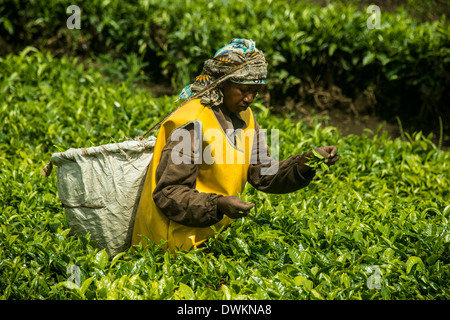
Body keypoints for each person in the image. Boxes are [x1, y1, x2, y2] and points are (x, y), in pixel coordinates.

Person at [131, 38, 339, 251]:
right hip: (171, 246)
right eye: (243, 89)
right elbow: (169, 193)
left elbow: (265, 173)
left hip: (212, 237)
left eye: (255, 91)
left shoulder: (246, 116)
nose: (250, 99)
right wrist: (218, 205)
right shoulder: (192, 123)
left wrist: (307, 162)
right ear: (222, 82)